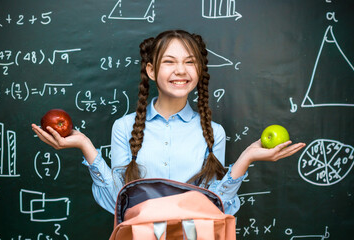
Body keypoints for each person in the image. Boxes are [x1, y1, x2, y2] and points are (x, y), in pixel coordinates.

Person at [31, 30, 306, 216]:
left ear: (199, 70)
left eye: (190, 62)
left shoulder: (214, 133)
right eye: (169, 62)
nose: (180, 71)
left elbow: (218, 206)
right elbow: (117, 203)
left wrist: (246, 159)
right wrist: (84, 145)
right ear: (151, 70)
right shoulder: (124, 128)